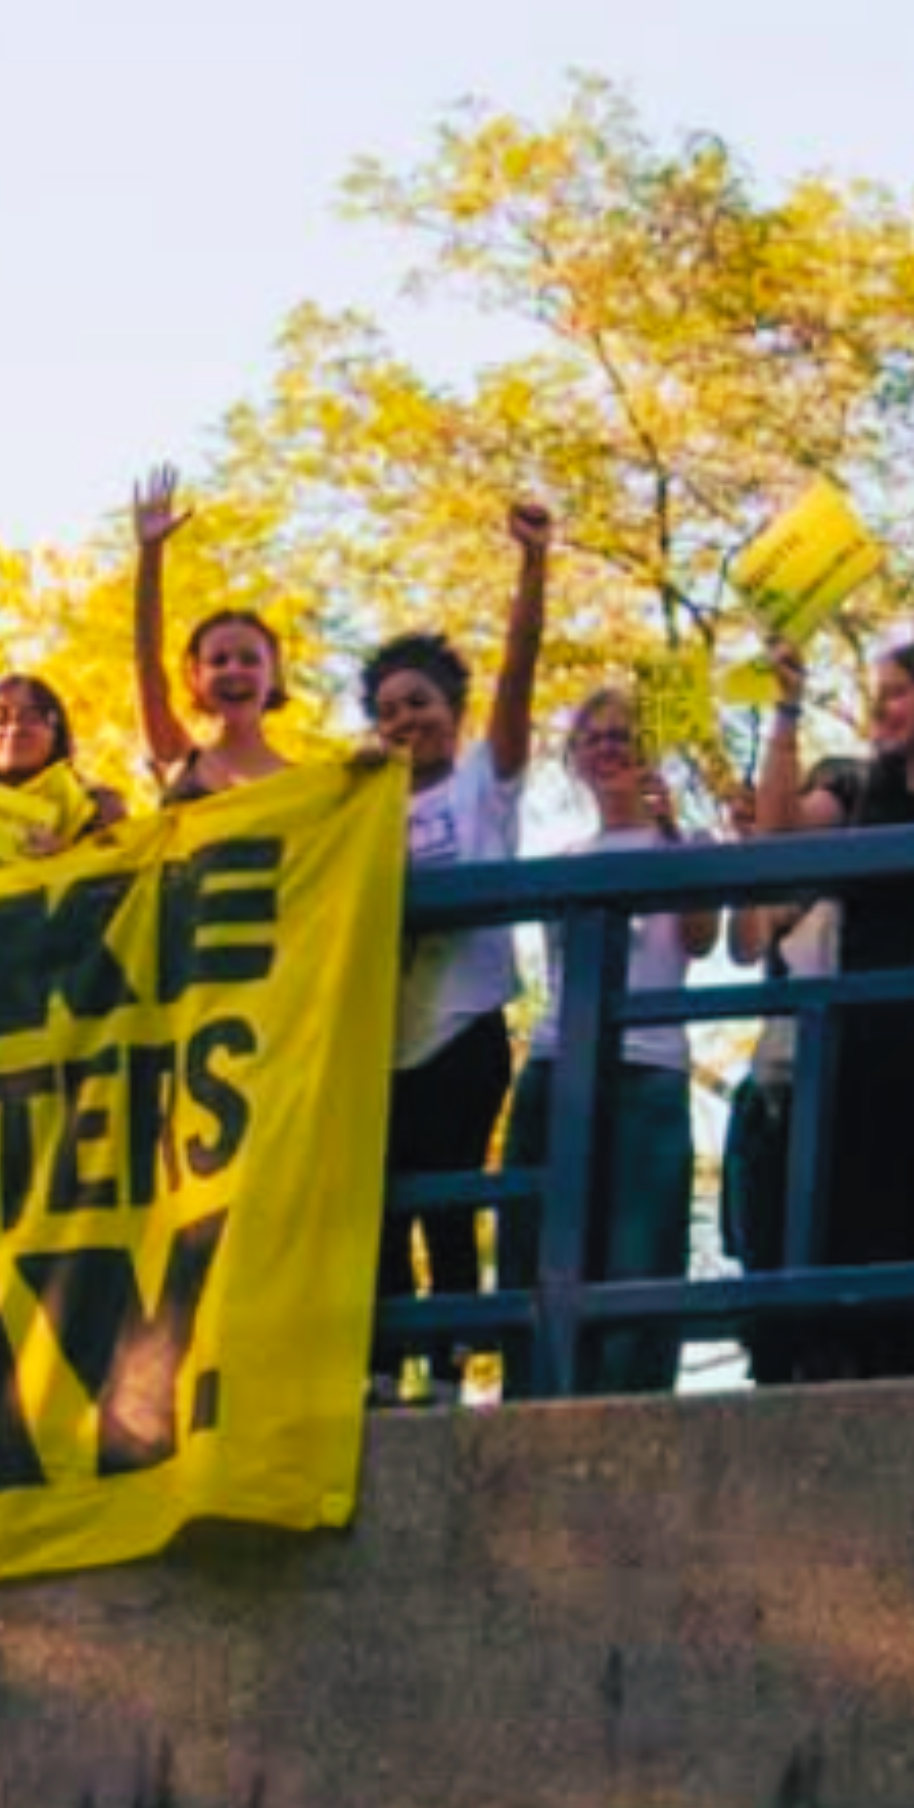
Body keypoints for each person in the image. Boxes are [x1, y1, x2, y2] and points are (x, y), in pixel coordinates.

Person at [362, 503, 553, 1338]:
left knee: (448, 1196)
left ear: (454, 708)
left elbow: (519, 674)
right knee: (379, 1209)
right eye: (390, 710)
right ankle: (382, 1366)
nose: (408, 720)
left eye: (421, 703)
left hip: (464, 1024)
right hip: (381, 1033)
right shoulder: (362, 804)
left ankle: (444, 1364)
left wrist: (533, 567)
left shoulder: (485, 780)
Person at [497, 687, 719, 1396]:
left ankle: (633, 1409)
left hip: (648, 1069)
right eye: (593, 738)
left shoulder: (687, 845)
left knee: (641, 1257)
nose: (609, 748)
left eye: (623, 736)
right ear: (575, 759)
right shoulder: (566, 854)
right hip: (556, 1065)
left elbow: (700, 937)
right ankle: (534, 1400)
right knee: (538, 1246)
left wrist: (673, 828)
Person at [756, 644, 914, 1377]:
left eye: (899, 692)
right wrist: (786, 715)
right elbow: (781, 836)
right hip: (865, 1039)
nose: (881, 707)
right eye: (876, 692)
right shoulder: (857, 786)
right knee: (858, 1212)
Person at [720, 759, 864, 1384]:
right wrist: (753, 856)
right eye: (812, 791)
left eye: (834, 797)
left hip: (854, 1093)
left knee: (843, 1260)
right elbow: (744, 943)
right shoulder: (789, 896)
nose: (817, 808)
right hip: (777, 1095)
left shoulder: (871, 893)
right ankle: (775, 1363)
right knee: (770, 1254)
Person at [130, 464, 290, 801]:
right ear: (196, 677)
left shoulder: (304, 783)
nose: (233, 669)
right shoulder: (178, 756)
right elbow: (147, 662)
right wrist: (150, 554)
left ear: (273, 675)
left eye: (249, 659)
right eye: (218, 661)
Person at [0, 673, 128, 840]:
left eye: (32, 717)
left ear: (56, 733)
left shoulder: (98, 808)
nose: (15, 729)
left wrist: (68, 858)